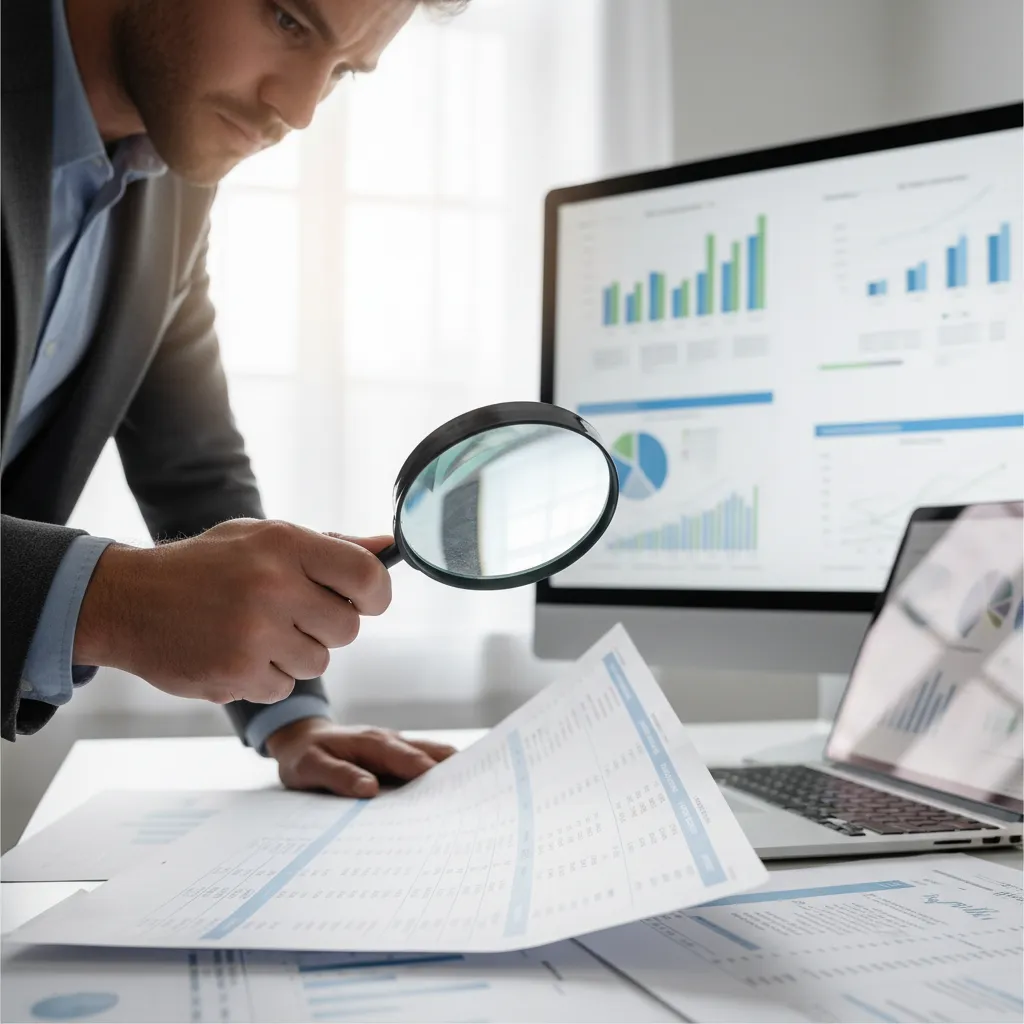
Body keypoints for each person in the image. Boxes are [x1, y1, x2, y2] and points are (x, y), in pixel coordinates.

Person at [1, 0, 465, 794]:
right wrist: (111, 602)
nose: (300, 108)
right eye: (288, 21)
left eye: (343, 71)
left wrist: (292, 718)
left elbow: (193, 465)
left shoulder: (173, 187)